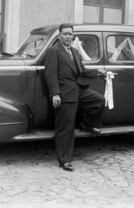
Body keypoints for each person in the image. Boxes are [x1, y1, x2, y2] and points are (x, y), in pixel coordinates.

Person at [44, 23, 106, 172]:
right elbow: (50, 74)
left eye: (70, 34)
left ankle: (87, 125)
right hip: (64, 93)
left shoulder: (74, 51)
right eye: (65, 34)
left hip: (78, 90)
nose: (68, 36)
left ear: (73, 36)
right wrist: (55, 94)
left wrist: (99, 72)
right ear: (59, 36)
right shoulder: (53, 51)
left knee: (99, 100)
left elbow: (82, 70)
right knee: (65, 128)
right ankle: (65, 160)